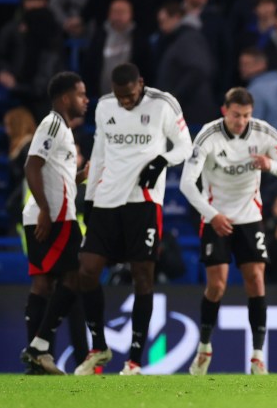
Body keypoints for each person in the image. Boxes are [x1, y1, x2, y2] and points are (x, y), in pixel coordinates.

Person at [75, 63, 192, 376]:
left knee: (143, 274)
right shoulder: (105, 106)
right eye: (120, 96)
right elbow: (99, 152)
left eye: (129, 95)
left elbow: (185, 145)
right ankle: (98, 347)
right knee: (87, 271)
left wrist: (161, 160)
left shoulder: (163, 104)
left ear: (141, 83)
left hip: (143, 202)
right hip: (106, 200)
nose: (125, 101)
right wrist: (88, 198)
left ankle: (135, 360)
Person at [179, 87, 277, 375]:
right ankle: (204, 347)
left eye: (245, 115)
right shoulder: (208, 134)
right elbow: (185, 183)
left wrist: (271, 165)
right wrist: (212, 215)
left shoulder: (264, 133)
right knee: (216, 286)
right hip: (215, 215)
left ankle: (257, 356)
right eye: (235, 115)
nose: (241, 121)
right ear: (224, 111)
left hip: (249, 216)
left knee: (256, 280)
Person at [19, 72, 90, 375]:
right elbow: (31, 165)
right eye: (81, 94)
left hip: (52, 212)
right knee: (73, 278)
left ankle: (38, 360)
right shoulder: (52, 124)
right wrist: (47, 210)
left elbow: (51, 174)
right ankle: (39, 345)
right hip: (56, 216)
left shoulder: (62, 129)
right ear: (65, 98)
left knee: (44, 283)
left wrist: (77, 178)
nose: (85, 100)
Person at [154, 2, 217, 125]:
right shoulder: (180, 38)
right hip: (187, 112)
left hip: (192, 113)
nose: (161, 27)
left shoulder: (188, 38)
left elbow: (198, 70)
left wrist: (175, 97)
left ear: (176, 17)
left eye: (163, 21)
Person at [83, 0, 151, 98]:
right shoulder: (100, 36)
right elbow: (89, 65)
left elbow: (147, 68)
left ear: (130, 14)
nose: (118, 16)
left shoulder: (139, 38)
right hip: (102, 97)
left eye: (122, 12)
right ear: (109, 14)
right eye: (115, 12)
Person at [239, 47, 277, 138]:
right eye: (241, 64)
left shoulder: (254, 91)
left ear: (261, 64)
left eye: (247, 64)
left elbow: (251, 127)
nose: (242, 68)